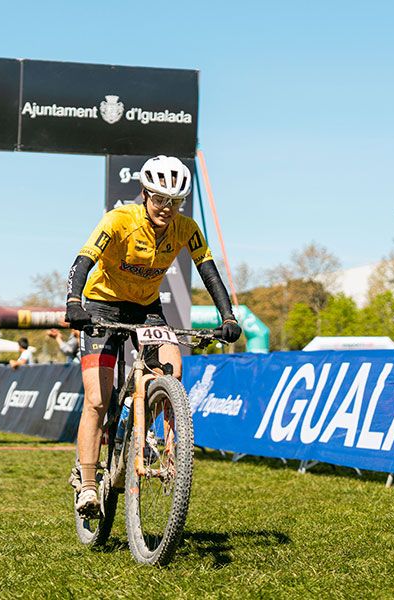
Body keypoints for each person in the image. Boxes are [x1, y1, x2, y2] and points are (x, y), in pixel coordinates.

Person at [64, 155, 241, 517]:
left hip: (146, 308)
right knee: (98, 399)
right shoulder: (120, 220)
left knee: (172, 370)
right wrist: (73, 302)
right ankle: (85, 482)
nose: (167, 208)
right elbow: (83, 260)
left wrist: (228, 315)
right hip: (102, 305)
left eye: (175, 202)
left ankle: (149, 432)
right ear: (145, 193)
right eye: (160, 199)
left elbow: (209, 272)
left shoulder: (186, 228)